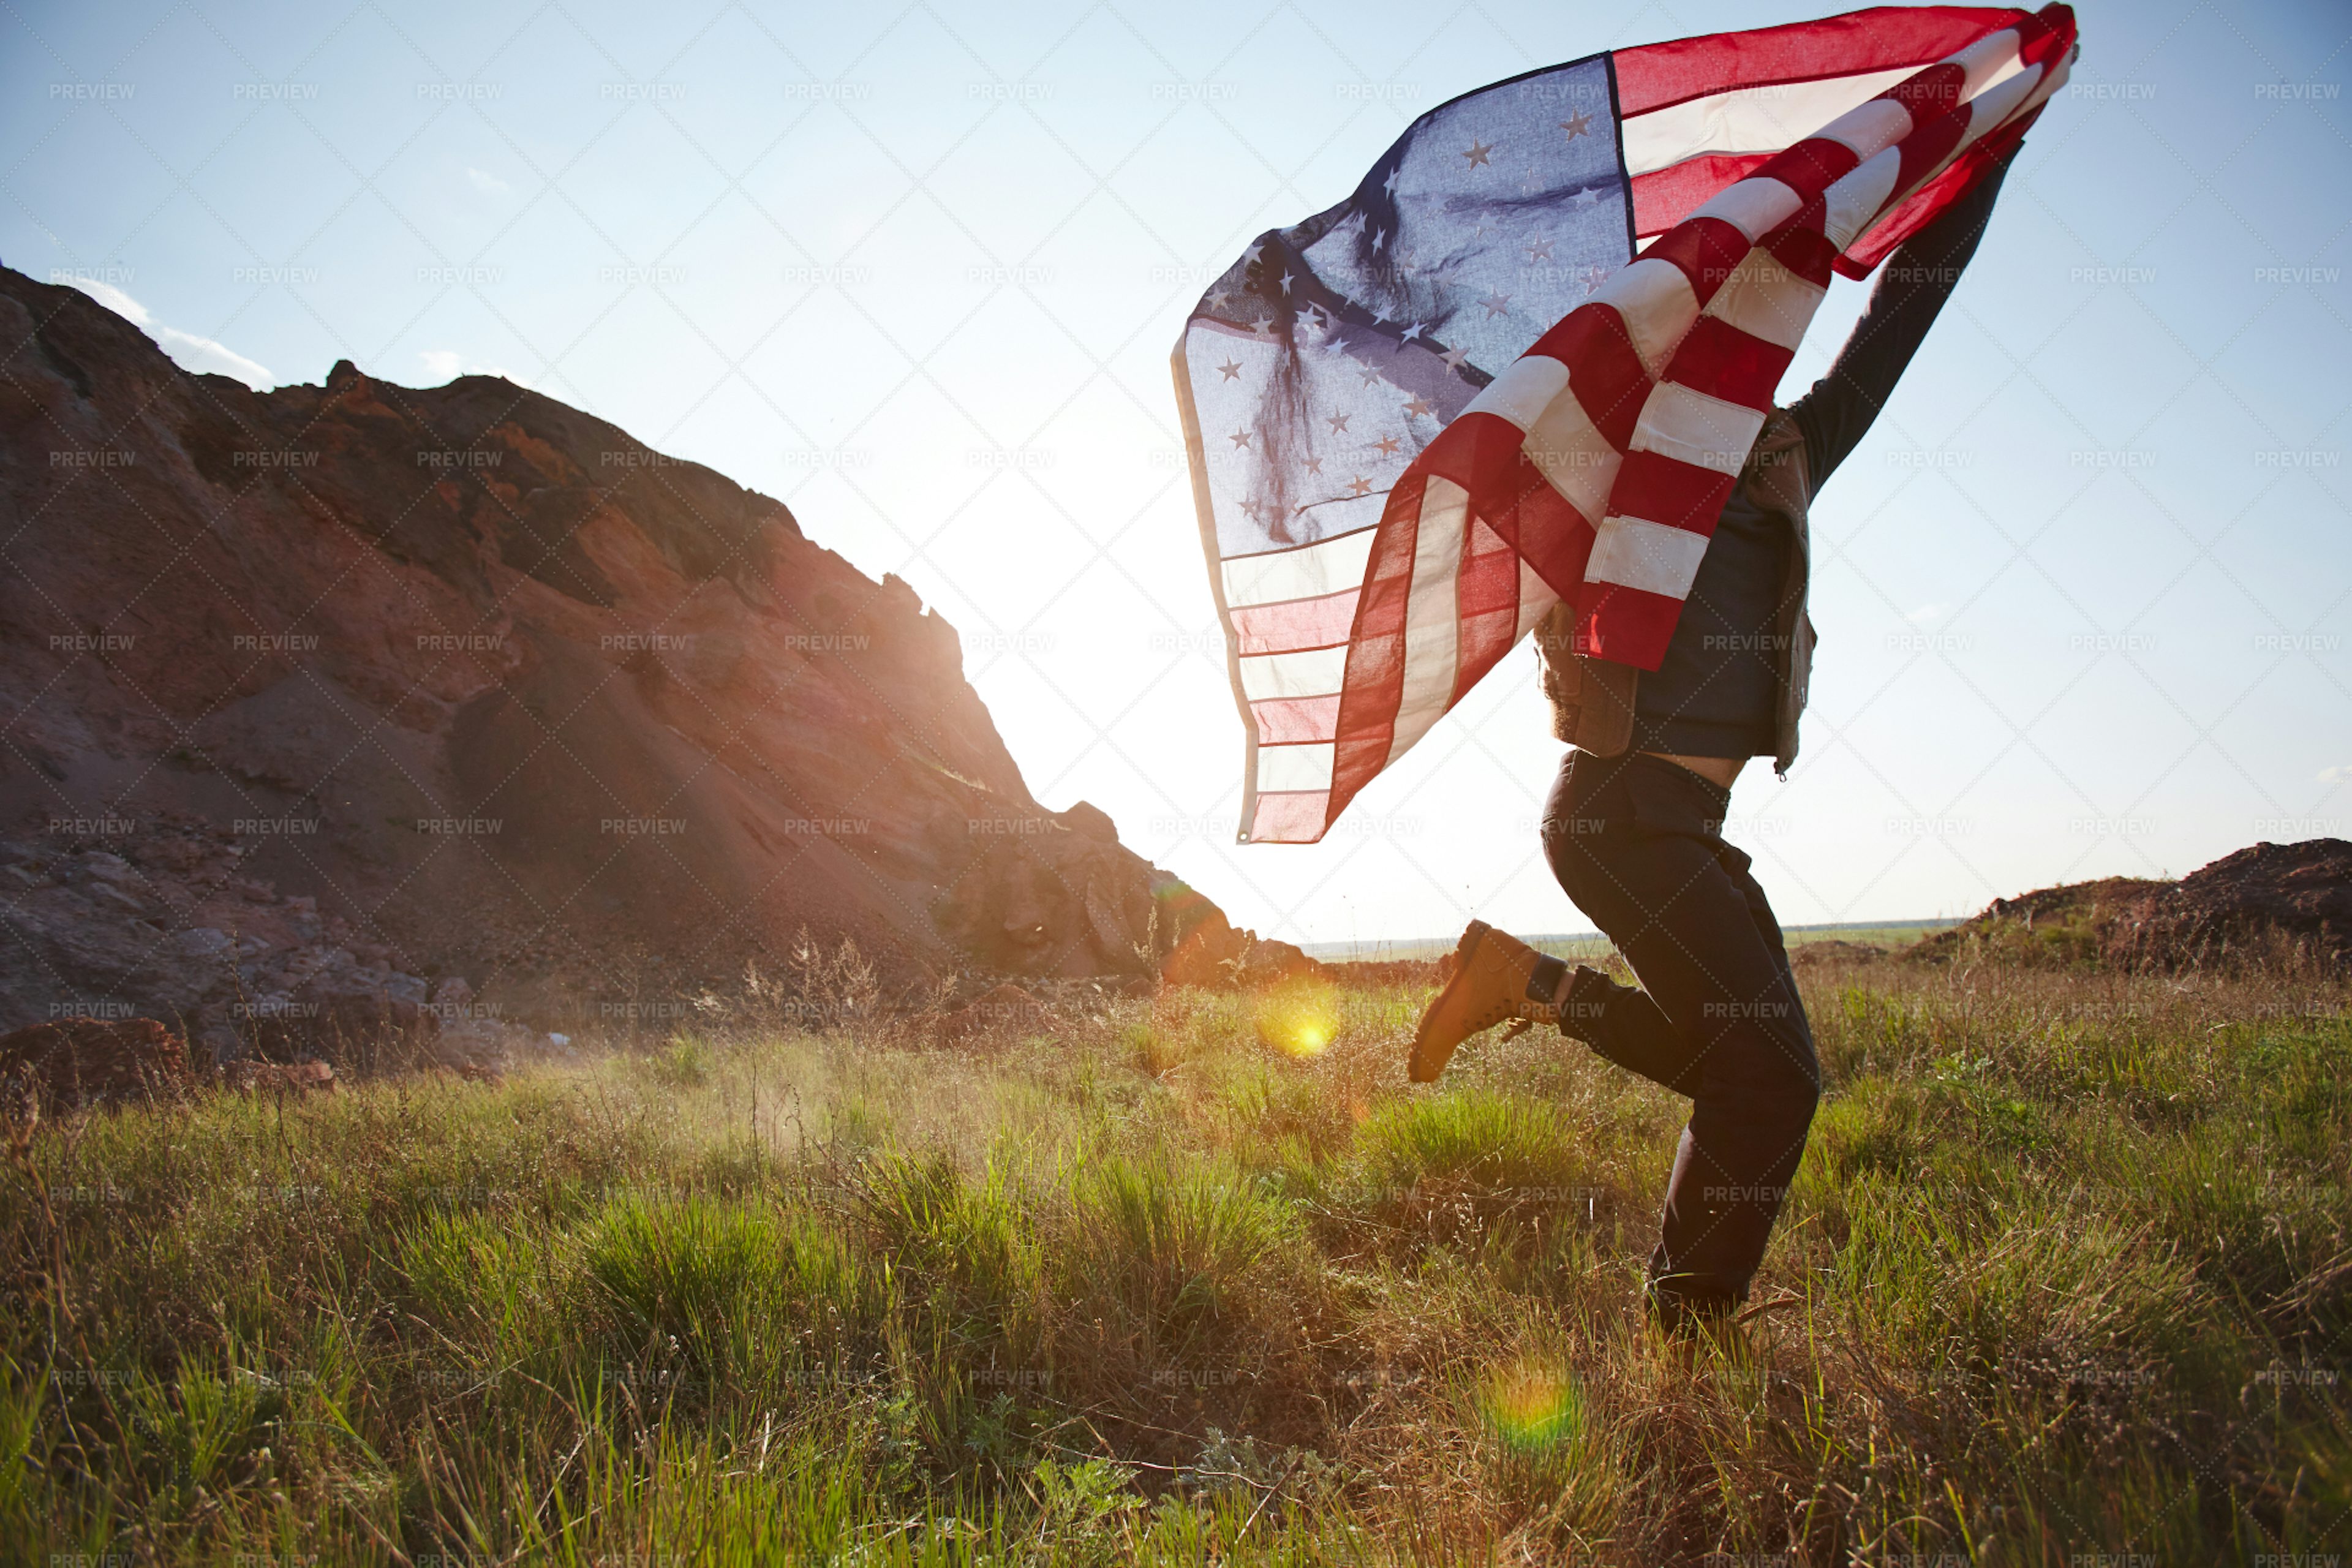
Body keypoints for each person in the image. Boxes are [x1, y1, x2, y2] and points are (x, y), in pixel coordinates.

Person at [1406, 145, 2024, 1336]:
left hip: (1678, 828)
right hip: (1618, 815)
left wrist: (1995, 145)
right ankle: (1688, 1333)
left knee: (1748, 1067)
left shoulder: (1793, 451)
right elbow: (1491, 415)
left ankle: (1525, 984)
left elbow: (1910, 301)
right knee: (1770, 1078)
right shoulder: (1610, 463)